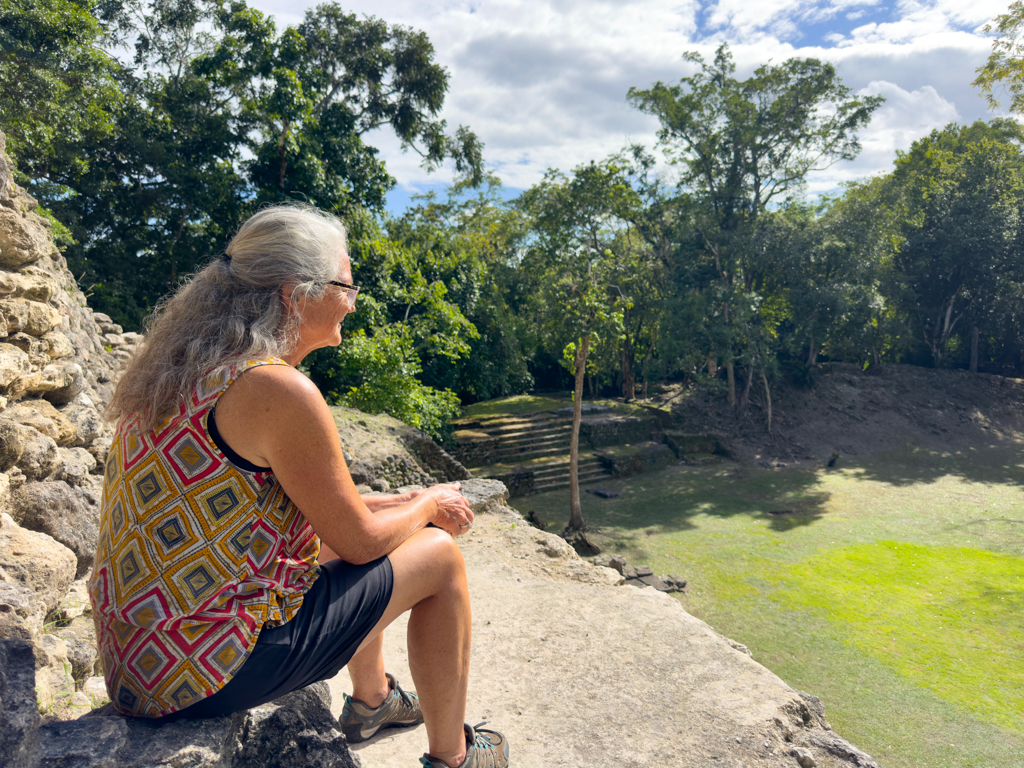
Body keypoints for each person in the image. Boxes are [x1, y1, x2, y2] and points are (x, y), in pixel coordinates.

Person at [87, 204, 509, 768]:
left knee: (369, 539)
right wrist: (428, 505)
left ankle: (372, 701)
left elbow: (316, 511)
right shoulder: (279, 391)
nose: (355, 300)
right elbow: (360, 542)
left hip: (138, 662)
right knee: (437, 558)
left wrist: (406, 504)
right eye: (346, 283)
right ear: (295, 293)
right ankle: (455, 758)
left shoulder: (181, 372)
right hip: (202, 670)